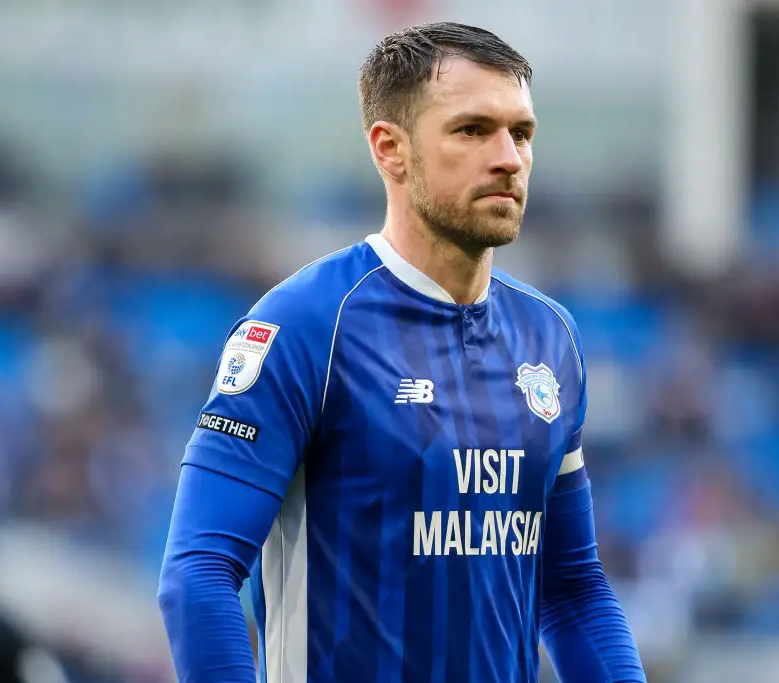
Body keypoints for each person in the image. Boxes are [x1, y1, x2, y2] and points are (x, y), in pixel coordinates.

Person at [158, 21, 646, 683]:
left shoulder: (550, 336)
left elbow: (572, 588)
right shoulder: (305, 324)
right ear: (391, 149)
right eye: (473, 130)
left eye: (521, 132)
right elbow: (198, 573)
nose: (508, 156)